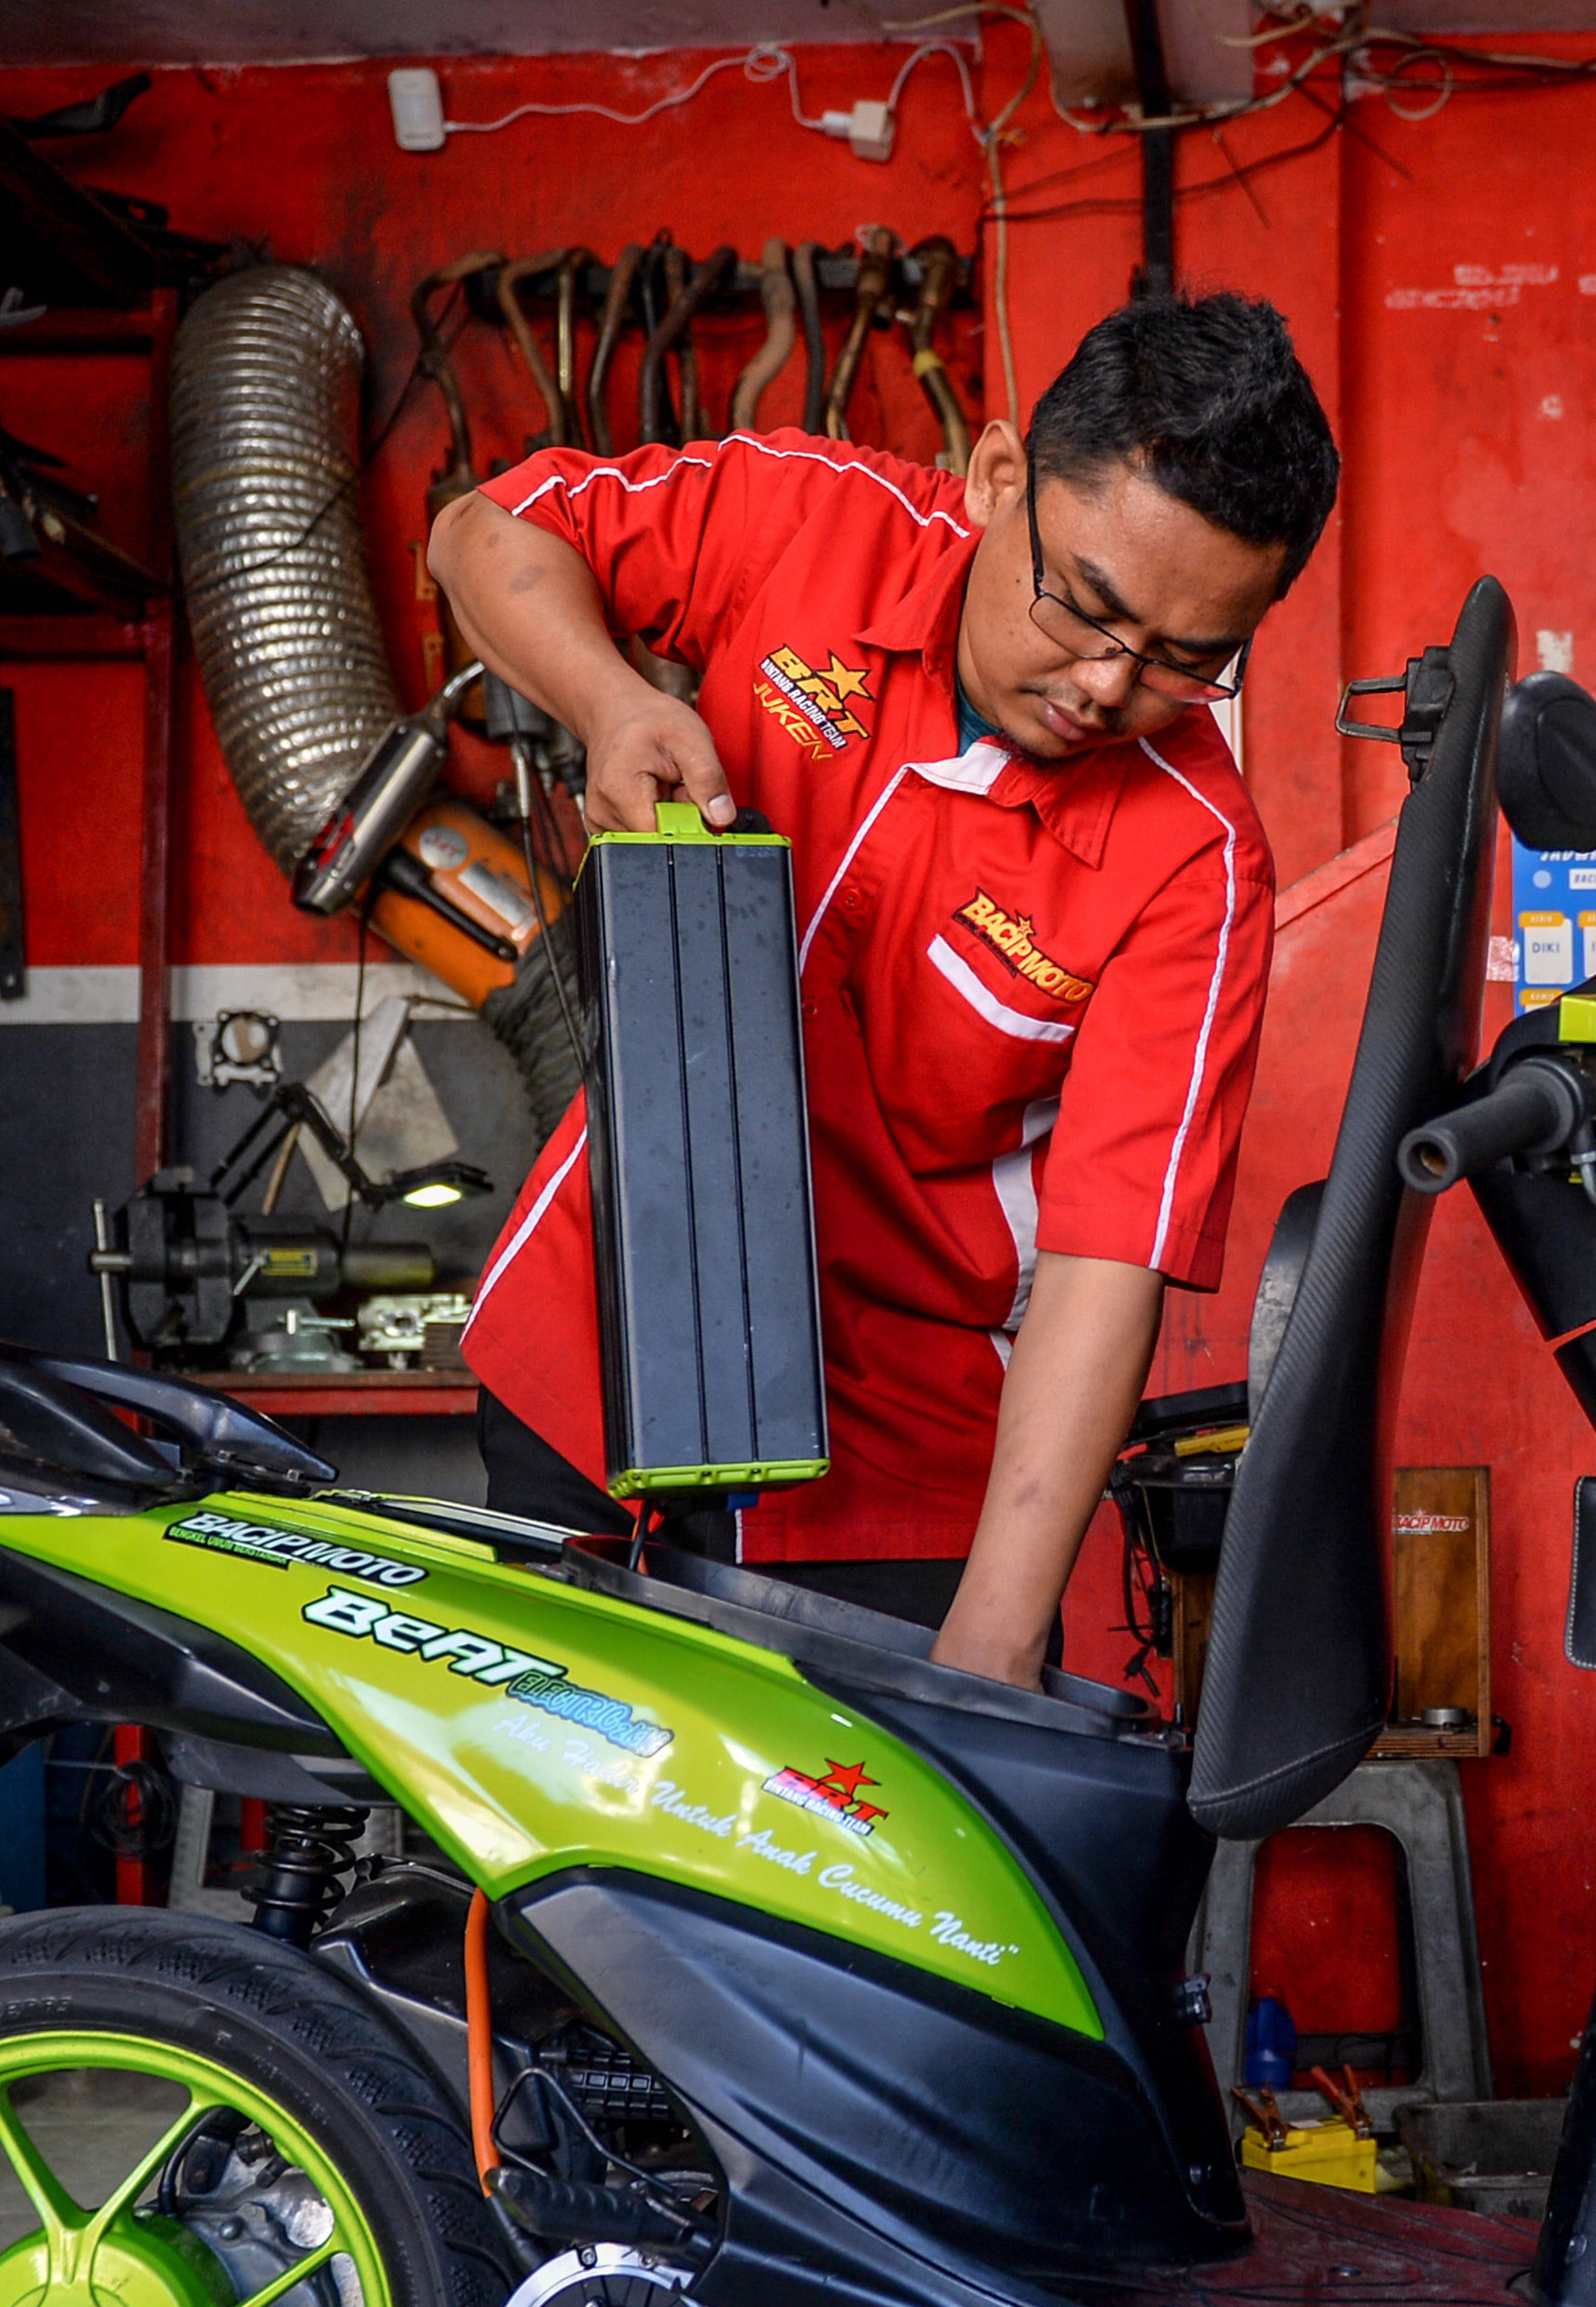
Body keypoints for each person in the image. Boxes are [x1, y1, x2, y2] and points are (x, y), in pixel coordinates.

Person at [431, 290, 1337, 1688]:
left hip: (890, 1475)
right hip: (592, 1353)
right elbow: (485, 533)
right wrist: (612, 699)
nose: (1108, 685)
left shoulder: (1196, 863)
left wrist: (996, 1626)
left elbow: (1109, 1268)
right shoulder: (817, 522)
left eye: (1184, 662)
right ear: (995, 479)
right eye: (1085, 605)